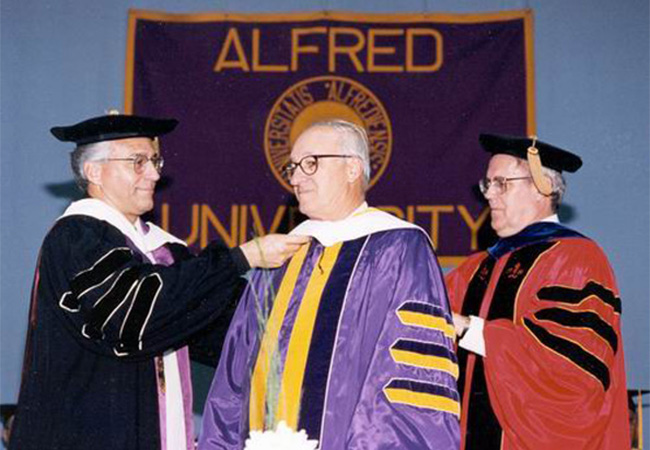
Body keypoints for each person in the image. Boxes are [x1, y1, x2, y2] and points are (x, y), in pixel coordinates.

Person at [9, 113, 310, 450]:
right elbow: (132, 316)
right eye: (138, 162)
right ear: (94, 172)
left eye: (154, 160)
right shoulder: (76, 238)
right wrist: (241, 258)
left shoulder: (163, 252)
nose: (154, 173)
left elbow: (225, 329)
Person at [199, 120, 460, 449]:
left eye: (311, 163)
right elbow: (234, 377)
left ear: (352, 168)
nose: (295, 177)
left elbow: (409, 381)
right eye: (292, 166)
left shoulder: (398, 248)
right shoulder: (281, 255)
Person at [446, 133, 630, 449]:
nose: (490, 195)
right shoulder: (475, 268)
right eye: (487, 184)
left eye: (502, 183)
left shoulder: (577, 259)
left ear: (541, 189)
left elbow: (568, 375)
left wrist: (468, 329)